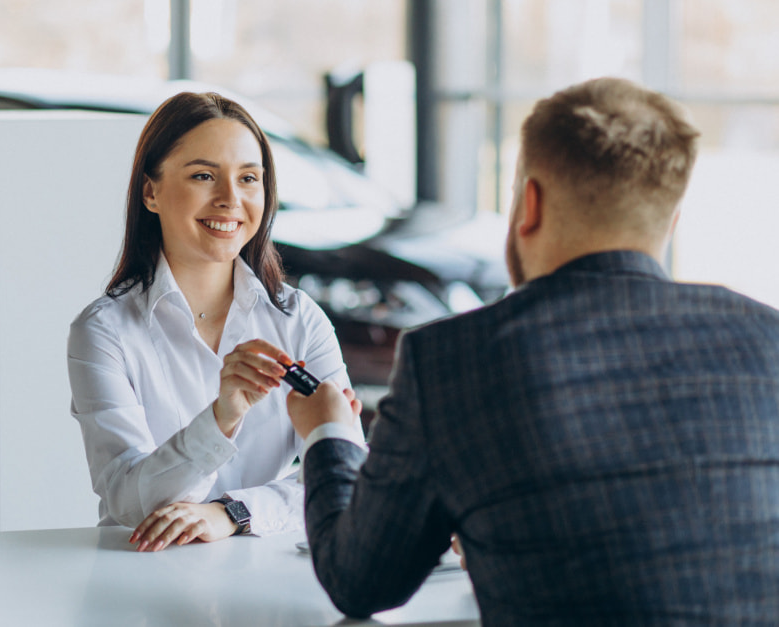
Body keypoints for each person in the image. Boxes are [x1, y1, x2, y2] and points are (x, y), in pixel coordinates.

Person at [286, 77, 779, 625]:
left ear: (530, 202)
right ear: (671, 220)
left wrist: (327, 432)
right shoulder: (767, 336)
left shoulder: (454, 360)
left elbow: (359, 582)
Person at [67, 92, 360, 552]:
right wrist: (221, 419)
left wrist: (234, 513)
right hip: (140, 579)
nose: (230, 199)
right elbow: (129, 500)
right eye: (204, 176)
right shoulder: (104, 332)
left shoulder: (300, 320)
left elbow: (349, 479)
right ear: (151, 192)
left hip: (269, 579)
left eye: (248, 178)